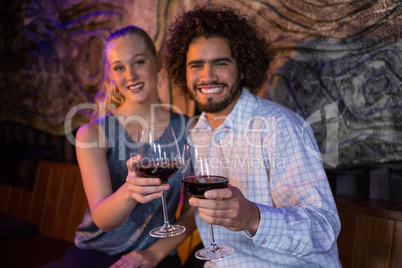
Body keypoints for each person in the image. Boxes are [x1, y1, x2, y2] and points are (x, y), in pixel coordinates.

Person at [166, 6, 342, 268]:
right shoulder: (197, 132)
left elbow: (324, 228)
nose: (207, 76)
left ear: (243, 69)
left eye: (220, 63)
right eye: (196, 65)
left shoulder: (280, 127)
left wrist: (252, 217)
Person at [59, 25, 196, 268]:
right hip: (97, 252)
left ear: (157, 63)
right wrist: (129, 191)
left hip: (158, 252)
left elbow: (192, 209)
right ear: (111, 75)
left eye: (139, 62)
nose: (130, 76)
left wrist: (155, 253)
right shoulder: (93, 133)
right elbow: (103, 220)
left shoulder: (189, 130)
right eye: (119, 68)